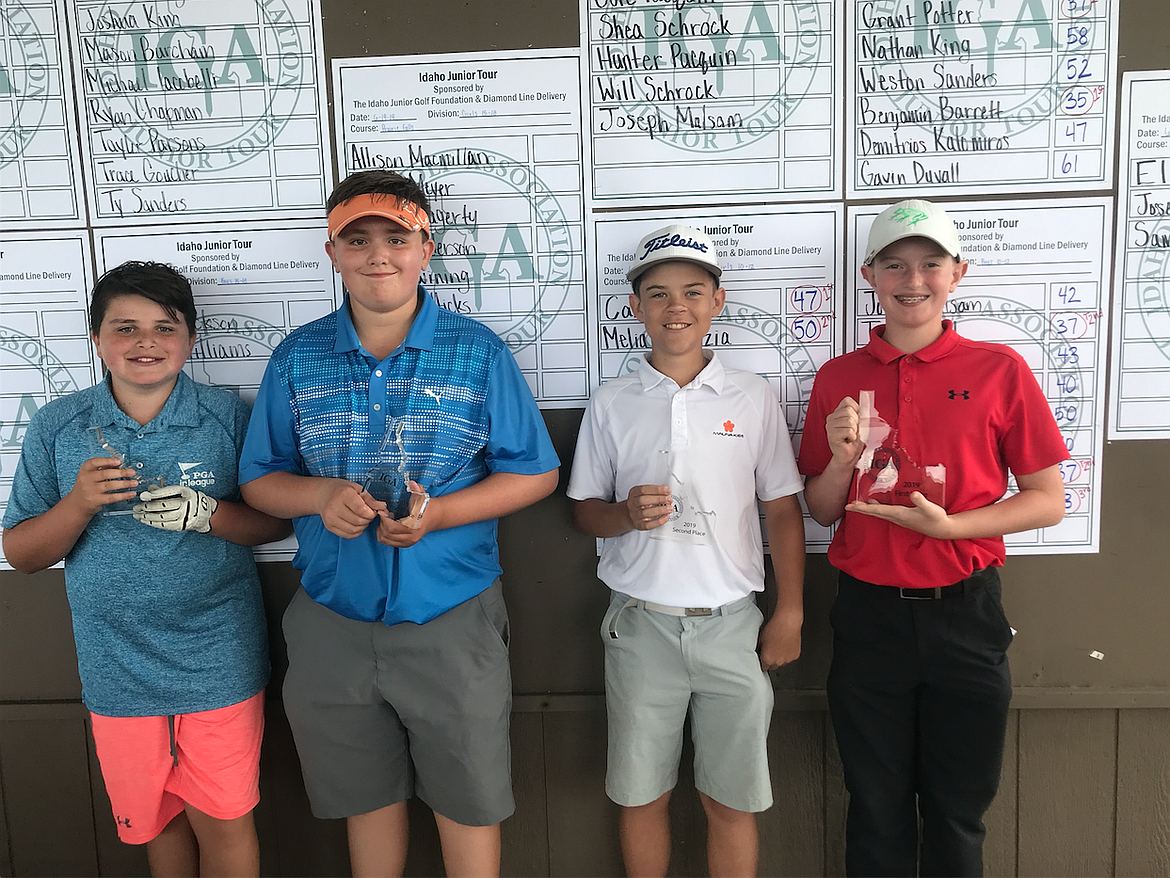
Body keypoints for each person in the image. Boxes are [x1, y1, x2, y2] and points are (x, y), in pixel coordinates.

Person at [237, 169, 559, 878]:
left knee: (469, 805)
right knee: (366, 805)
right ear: (332, 253)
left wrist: (441, 513)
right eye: (358, 240)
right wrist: (320, 496)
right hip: (332, 617)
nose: (377, 254)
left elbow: (535, 471)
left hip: (452, 616)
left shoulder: (477, 353)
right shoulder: (297, 357)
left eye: (396, 237)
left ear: (426, 248)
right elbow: (259, 481)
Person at [798, 199, 1069, 877]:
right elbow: (821, 509)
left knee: (956, 814)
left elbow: (1047, 500)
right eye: (894, 264)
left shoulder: (999, 370)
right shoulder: (838, 378)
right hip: (868, 615)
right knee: (876, 807)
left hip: (966, 612)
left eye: (929, 264)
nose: (911, 279)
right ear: (869, 275)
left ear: (958, 273)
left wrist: (951, 528)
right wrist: (837, 459)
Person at [2, 261, 290, 877]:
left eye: (165, 326)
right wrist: (76, 505)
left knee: (226, 820)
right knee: (154, 820)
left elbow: (278, 522)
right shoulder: (59, 425)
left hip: (219, 658)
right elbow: (23, 554)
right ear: (96, 338)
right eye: (125, 328)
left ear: (190, 338)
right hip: (116, 666)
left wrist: (209, 513)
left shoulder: (228, 417)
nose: (146, 343)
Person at [567, 224, 806, 878]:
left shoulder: (752, 395)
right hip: (640, 622)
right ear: (636, 307)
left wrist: (789, 613)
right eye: (660, 293)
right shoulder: (612, 402)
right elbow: (584, 511)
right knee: (643, 794)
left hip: (733, 624)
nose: (677, 306)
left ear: (718, 301)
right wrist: (623, 514)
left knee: (731, 799)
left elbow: (782, 508)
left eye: (693, 291)